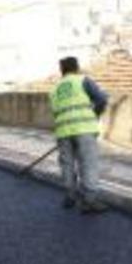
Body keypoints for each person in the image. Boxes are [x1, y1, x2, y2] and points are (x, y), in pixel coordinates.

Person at [49, 56, 109, 214]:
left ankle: (70, 196)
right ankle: (89, 201)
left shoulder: (54, 89)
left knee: (67, 164)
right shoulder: (83, 80)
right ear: (77, 67)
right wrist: (95, 113)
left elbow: (55, 111)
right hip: (83, 129)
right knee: (88, 163)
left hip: (63, 131)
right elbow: (102, 99)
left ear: (62, 70)